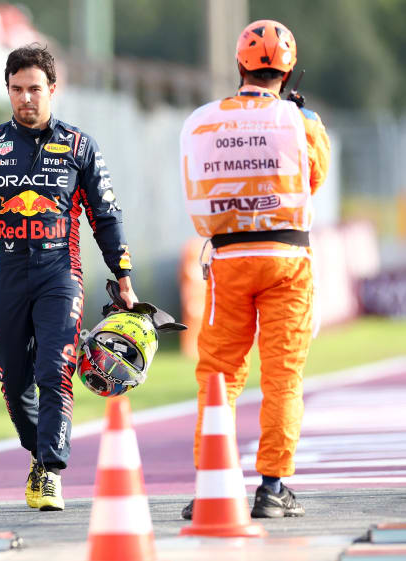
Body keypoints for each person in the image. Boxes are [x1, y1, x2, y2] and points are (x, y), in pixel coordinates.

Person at [0, 44, 137, 512]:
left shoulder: (81, 147)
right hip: (9, 273)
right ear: (8, 90)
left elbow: (106, 215)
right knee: (14, 379)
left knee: (54, 370)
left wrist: (122, 275)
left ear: (52, 90)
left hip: (61, 270)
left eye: (35, 89)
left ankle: (51, 470)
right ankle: (39, 454)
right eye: (17, 90)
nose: (26, 99)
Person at [178, 20, 330, 519]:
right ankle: (272, 488)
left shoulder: (207, 120)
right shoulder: (300, 122)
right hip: (288, 259)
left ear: (239, 66)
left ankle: (212, 487)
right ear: (287, 73)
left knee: (219, 377)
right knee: (283, 376)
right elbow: (316, 177)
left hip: (229, 259)